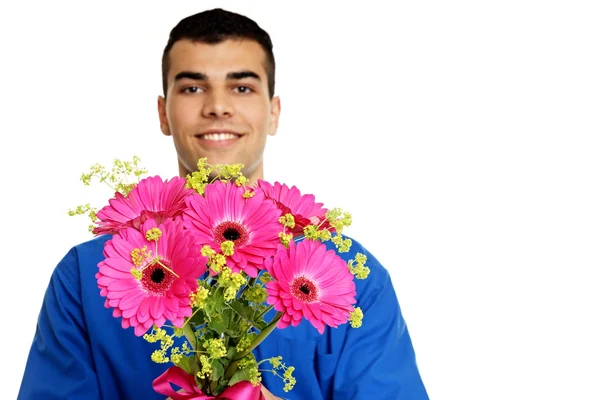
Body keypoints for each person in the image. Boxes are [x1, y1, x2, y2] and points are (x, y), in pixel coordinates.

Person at [18, 8, 429, 400]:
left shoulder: (350, 276)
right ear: (163, 113)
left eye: (242, 87)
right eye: (193, 87)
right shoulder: (86, 277)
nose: (217, 105)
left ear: (273, 112)